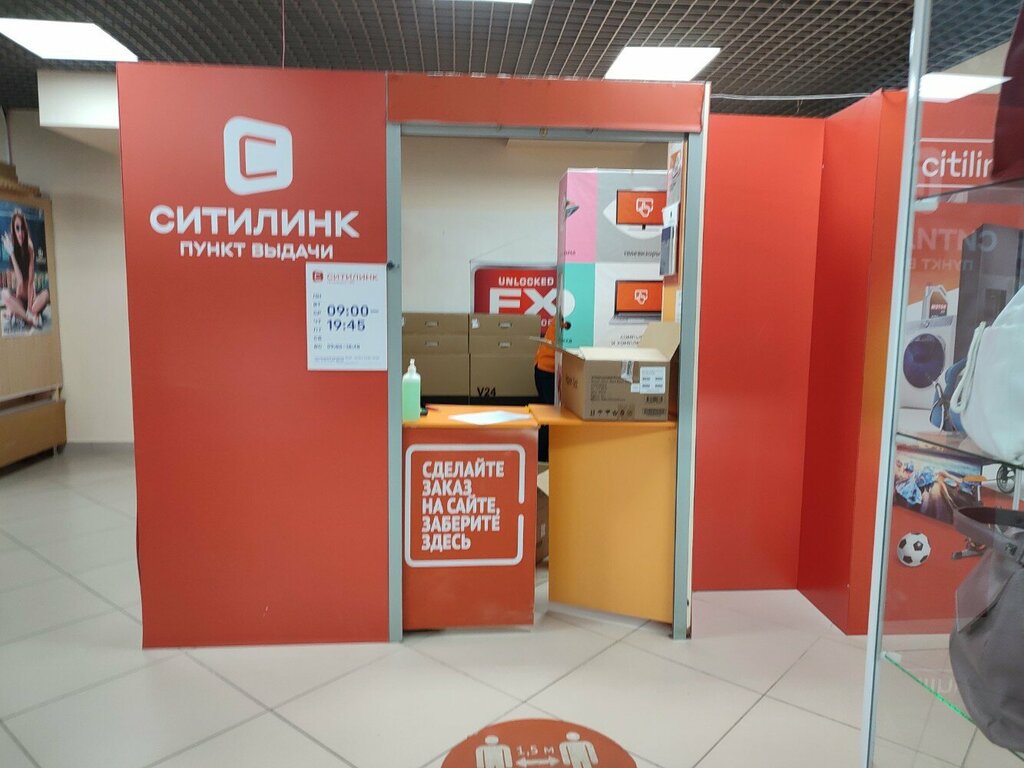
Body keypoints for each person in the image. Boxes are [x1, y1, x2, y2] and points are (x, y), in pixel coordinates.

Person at [1, 210, 48, 329]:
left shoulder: (29, 247)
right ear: (13, 230)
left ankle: (19, 314)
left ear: (25, 230)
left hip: (32, 298)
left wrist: (29, 308)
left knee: (46, 294)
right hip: (20, 297)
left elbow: (30, 281)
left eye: (22, 228)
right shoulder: (12, 247)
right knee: (4, 294)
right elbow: (20, 280)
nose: (20, 232)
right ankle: (30, 318)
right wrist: (12, 254)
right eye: (17, 228)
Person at [534, 320, 557, 462]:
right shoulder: (570, 315)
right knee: (550, 419)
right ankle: (542, 460)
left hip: (544, 368)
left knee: (547, 419)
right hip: (549, 370)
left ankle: (541, 460)